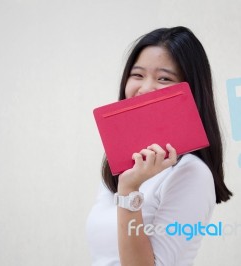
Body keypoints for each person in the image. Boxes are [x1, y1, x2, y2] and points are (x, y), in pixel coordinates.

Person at [86, 26, 232, 266]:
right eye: (137, 75)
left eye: (164, 78)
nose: (145, 89)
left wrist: (130, 189)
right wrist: (127, 182)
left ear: (189, 90)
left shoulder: (191, 172)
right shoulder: (121, 166)